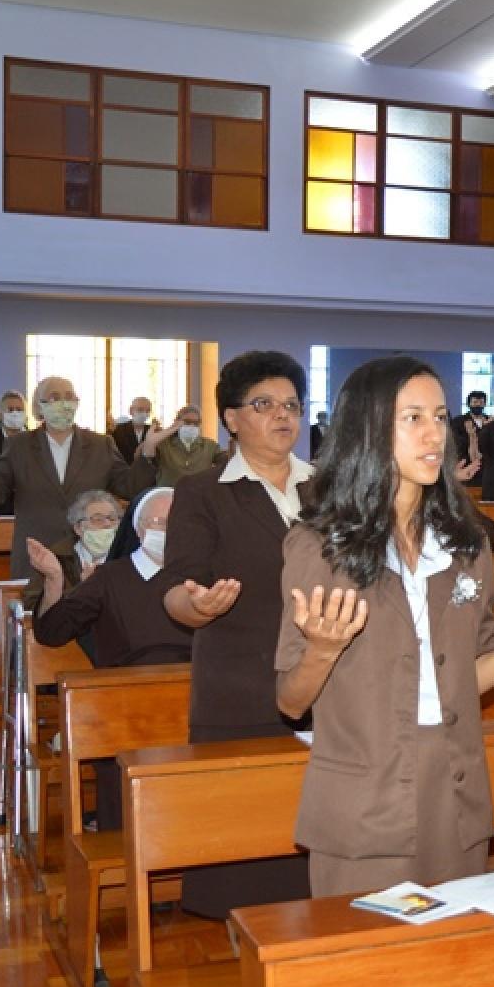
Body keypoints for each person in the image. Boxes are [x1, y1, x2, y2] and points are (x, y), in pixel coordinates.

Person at [273, 356, 494, 898]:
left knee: (456, 958)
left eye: (439, 415)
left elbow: (469, 677)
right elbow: (291, 701)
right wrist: (321, 649)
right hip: (368, 791)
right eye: (412, 418)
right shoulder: (321, 546)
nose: (436, 433)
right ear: (368, 429)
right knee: (369, 964)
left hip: (455, 784)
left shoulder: (462, 544)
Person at [159, 350, 315, 920]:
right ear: (231, 418)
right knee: (242, 837)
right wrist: (196, 607)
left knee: (313, 834)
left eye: (292, 405)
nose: (283, 416)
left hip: (322, 683)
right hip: (239, 681)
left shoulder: (324, 489)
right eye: (264, 404)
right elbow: (178, 587)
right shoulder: (204, 490)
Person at [30, 488, 193, 831]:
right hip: (126, 710)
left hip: (192, 703)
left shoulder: (200, 576)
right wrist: (55, 579)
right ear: (137, 528)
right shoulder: (110, 577)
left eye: (174, 521)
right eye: (157, 521)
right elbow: (52, 632)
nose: (166, 529)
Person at [0, 377, 158, 578]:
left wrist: (148, 453)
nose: (63, 403)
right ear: (39, 407)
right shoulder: (19, 446)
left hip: (88, 558)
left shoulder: (101, 445)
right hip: (35, 558)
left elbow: (129, 488)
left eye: (69, 397)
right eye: (55, 397)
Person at [22, 490, 123, 618]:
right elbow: (32, 605)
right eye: (97, 519)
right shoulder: (57, 559)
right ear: (78, 528)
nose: (107, 524)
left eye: (112, 518)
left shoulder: (127, 557)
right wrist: (83, 589)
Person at [154, 404, 220, 486]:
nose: (192, 426)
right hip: (169, 495)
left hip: (199, 494)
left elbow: (228, 460)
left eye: (196, 423)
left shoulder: (210, 446)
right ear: (176, 421)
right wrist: (167, 431)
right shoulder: (164, 444)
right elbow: (144, 454)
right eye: (187, 422)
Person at [451, 391, 488, 487]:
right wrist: (472, 436)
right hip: (466, 467)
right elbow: (456, 443)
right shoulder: (458, 421)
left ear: (485, 404)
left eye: (481, 402)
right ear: (469, 404)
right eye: (475, 402)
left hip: (486, 468)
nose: (478, 405)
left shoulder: (490, 421)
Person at [111, 396, 156, 464]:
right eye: (140, 410)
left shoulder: (153, 431)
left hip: (147, 471)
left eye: (148, 411)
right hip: (124, 471)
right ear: (131, 410)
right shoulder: (118, 431)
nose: (144, 414)